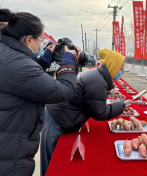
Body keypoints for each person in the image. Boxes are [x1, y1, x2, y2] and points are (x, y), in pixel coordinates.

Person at [0, 11, 79, 176]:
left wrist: (43, 60)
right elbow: (62, 92)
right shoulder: (17, 63)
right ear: (28, 39)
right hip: (10, 151)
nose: (42, 44)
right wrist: (68, 64)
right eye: (41, 40)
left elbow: (26, 79)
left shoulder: (7, 53)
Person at [40, 48, 129, 176]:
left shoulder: (98, 76)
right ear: (112, 67)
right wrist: (120, 106)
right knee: (51, 164)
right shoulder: (98, 81)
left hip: (58, 115)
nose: (120, 73)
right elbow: (99, 112)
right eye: (120, 70)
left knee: (54, 160)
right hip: (56, 119)